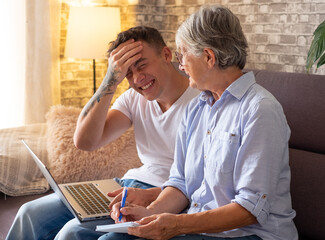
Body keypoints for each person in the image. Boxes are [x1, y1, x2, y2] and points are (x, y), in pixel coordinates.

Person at [105, 5, 298, 240]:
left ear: (208, 57)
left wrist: (176, 225)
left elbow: (251, 209)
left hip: (248, 235)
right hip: (199, 229)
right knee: (83, 234)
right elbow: (181, 184)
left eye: (182, 54)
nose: (181, 64)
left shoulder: (260, 109)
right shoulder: (197, 108)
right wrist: (148, 215)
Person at [6, 26, 199, 240]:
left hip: (168, 194)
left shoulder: (202, 98)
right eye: (127, 73)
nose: (137, 79)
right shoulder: (134, 98)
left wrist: (153, 197)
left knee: (72, 233)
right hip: (127, 184)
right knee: (30, 213)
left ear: (166, 54)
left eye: (142, 65)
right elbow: (85, 141)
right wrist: (110, 80)